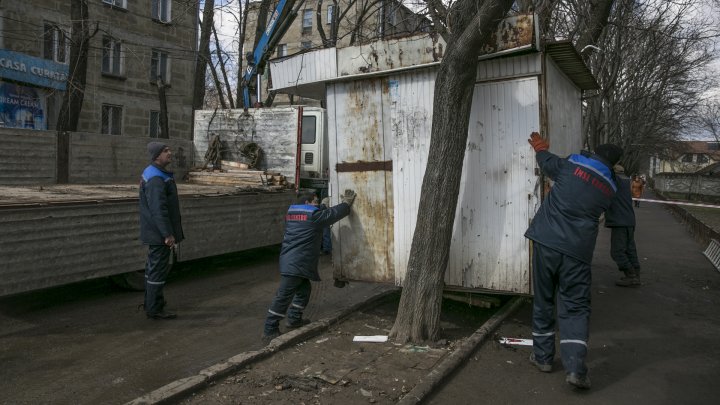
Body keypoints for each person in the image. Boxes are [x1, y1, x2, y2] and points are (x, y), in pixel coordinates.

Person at [525, 132, 623, 390]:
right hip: (578, 252)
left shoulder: (573, 165)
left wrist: (540, 147)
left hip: (547, 242)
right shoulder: (611, 187)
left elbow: (547, 163)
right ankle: (576, 368)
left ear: (595, 152)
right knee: (575, 307)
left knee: (544, 300)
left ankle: (543, 358)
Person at [262, 189, 357, 343]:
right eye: (315, 201)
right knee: (283, 296)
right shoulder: (313, 216)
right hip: (296, 262)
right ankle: (269, 329)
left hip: (292, 261)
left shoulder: (292, 213)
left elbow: (315, 216)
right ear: (307, 203)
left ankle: (294, 319)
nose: (317, 204)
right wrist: (346, 203)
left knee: (304, 290)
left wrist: (322, 207)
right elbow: (330, 216)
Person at [139, 142, 184, 320]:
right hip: (158, 234)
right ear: (157, 156)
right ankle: (155, 309)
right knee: (157, 271)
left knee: (153, 269)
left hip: (154, 231)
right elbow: (159, 209)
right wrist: (167, 234)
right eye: (165, 151)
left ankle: (151, 303)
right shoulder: (157, 178)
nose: (170, 153)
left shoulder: (155, 173)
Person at [605, 165, 641, 287]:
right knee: (630, 249)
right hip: (629, 220)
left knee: (617, 251)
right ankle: (636, 273)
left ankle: (631, 276)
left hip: (619, 221)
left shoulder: (615, 181)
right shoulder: (626, 181)